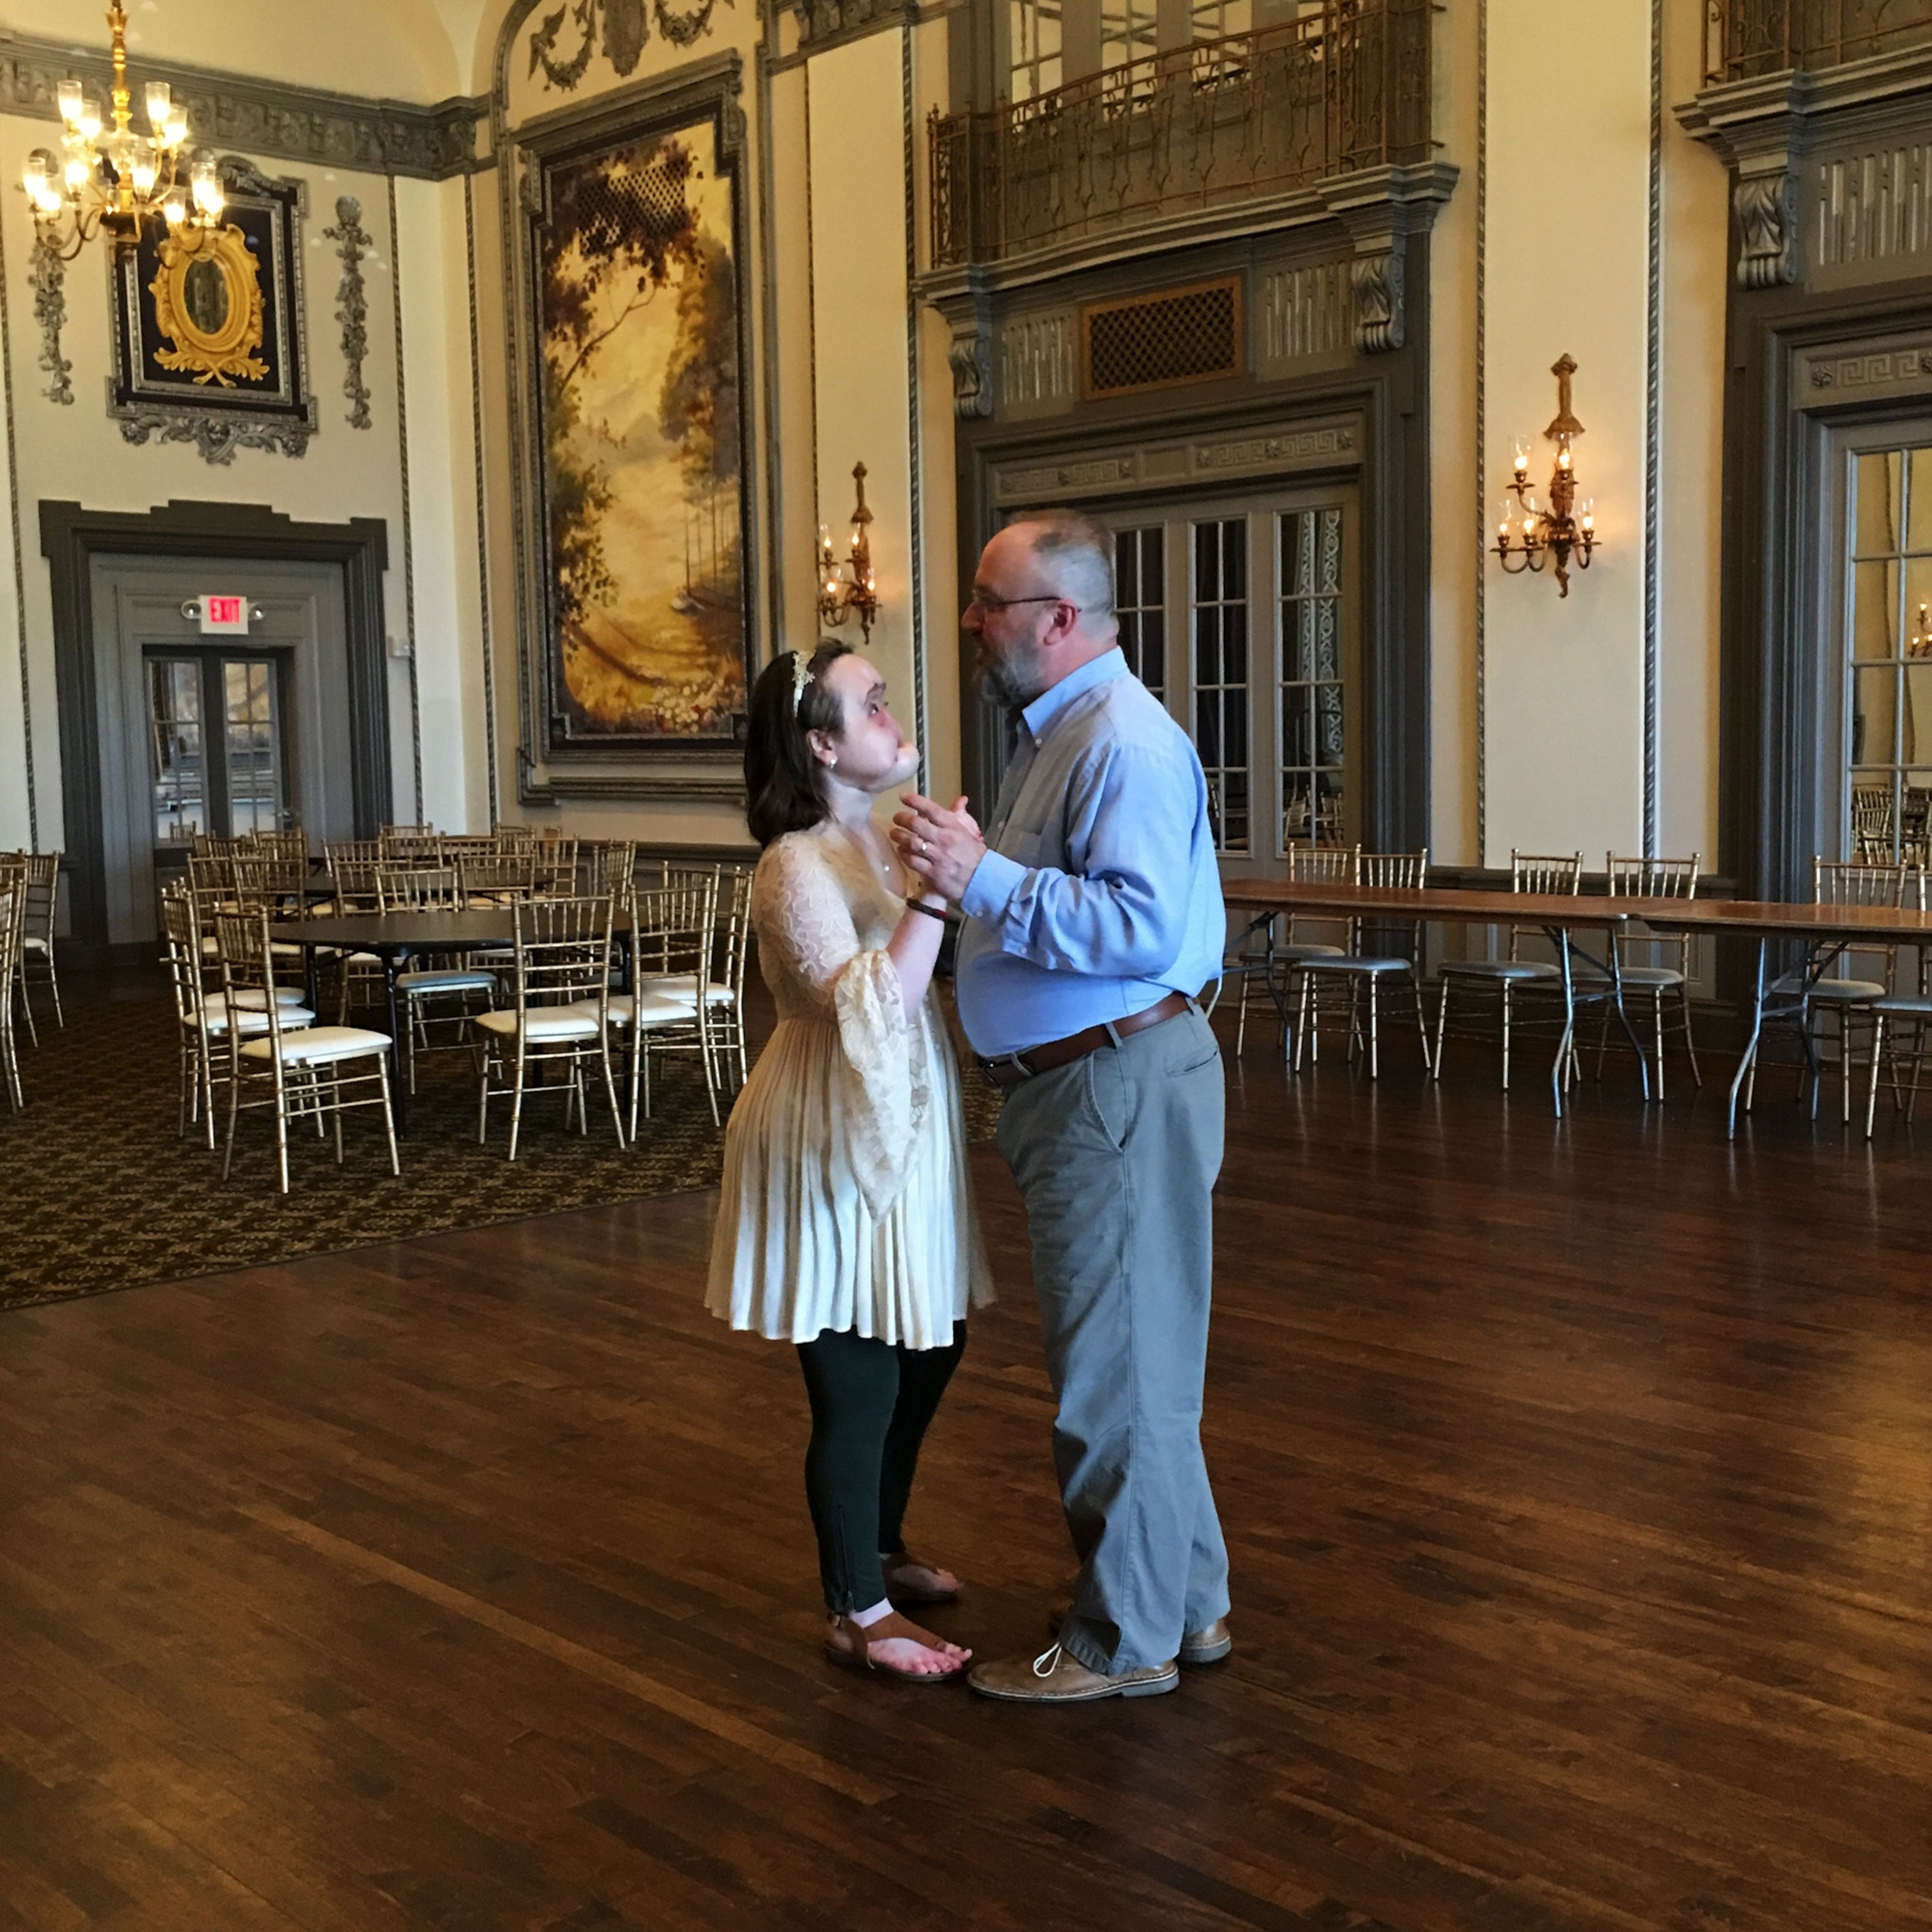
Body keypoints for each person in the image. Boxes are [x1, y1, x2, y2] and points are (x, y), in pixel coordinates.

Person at [892, 509, 1232, 1704]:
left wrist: (975, 876)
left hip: (1110, 1084)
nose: (973, 623)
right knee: (1142, 1367)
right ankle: (1183, 1605)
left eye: (990, 605)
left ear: (1060, 620)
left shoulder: (1121, 744)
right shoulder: (1059, 732)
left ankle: (1121, 1642)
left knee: (1113, 1376)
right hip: (1091, 1085)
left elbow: (1137, 928)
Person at [708, 639, 995, 1682]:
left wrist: (934, 876)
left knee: (935, 1339)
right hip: (826, 1126)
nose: (892, 714)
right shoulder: (792, 863)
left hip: (902, 1121)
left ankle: (878, 1540)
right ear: (822, 742)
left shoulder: (872, 836)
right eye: (871, 705)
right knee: (859, 1370)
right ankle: (856, 1610)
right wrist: (932, 895)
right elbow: (872, 1002)